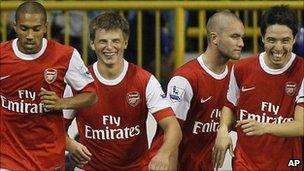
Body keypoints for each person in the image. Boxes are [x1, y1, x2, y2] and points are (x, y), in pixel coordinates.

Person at [64, 12, 182, 170]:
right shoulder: (77, 83)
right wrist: (70, 144)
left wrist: (163, 154)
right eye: (103, 41)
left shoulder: (145, 80)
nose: (109, 47)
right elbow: (54, 129)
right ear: (92, 44)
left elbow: (173, 128)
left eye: (115, 41)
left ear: (125, 43)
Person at [0, 2, 97, 170]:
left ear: (45, 27)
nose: (30, 35)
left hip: (49, 158)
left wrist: (61, 103)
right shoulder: (2, 54)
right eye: (24, 29)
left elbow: (91, 96)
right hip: (9, 158)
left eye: (36, 29)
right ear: (15, 26)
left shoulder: (65, 55)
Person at [150, 10, 244, 170]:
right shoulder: (185, 78)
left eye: (242, 37)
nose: (241, 43)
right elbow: (171, 135)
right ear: (214, 38)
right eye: (234, 37)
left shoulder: (236, 75)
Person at [212, 5, 303, 171]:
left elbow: (301, 125)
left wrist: (265, 127)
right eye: (271, 40)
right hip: (245, 162)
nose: (278, 48)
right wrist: (223, 129)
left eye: (285, 41)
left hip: (288, 163)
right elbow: (229, 105)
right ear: (262, 37)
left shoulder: (302, 71)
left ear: (294, 38)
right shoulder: (241, 68)